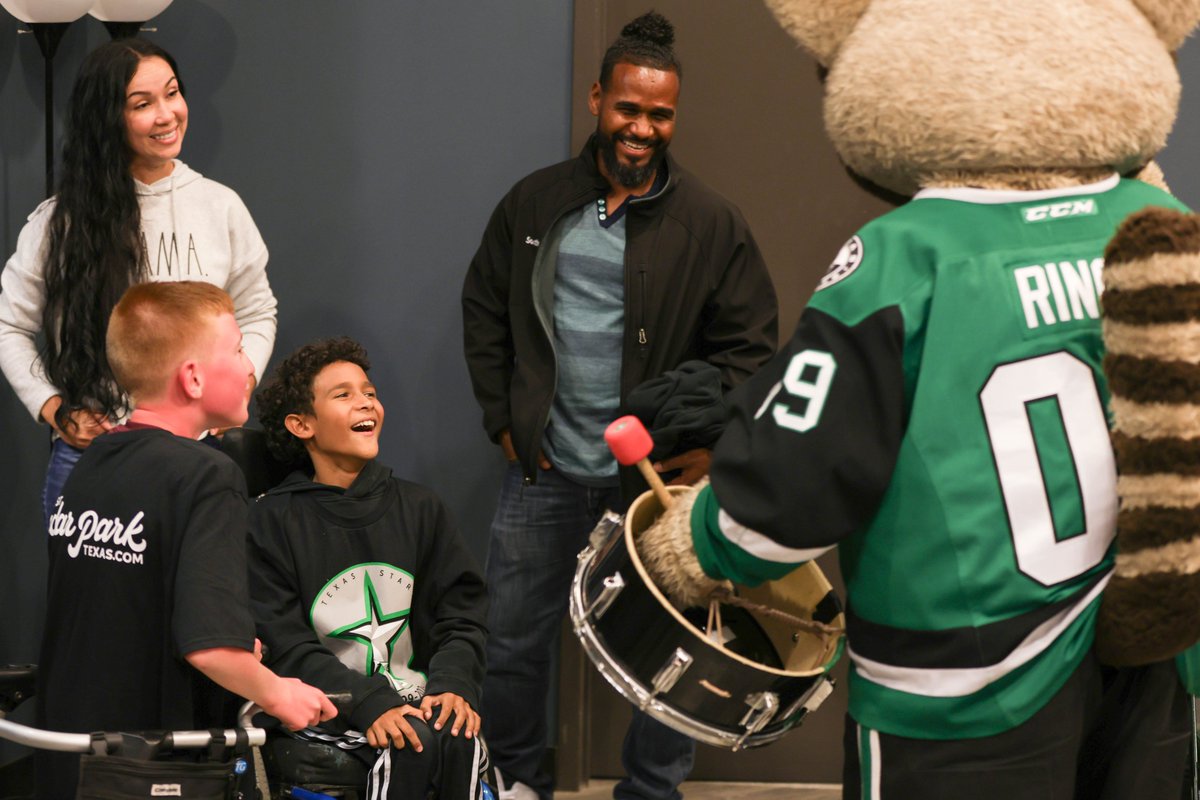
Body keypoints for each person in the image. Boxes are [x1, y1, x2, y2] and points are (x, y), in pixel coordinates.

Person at [461, 11, 777, 799]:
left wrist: (708, 445)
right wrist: (504, 419)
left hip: (655, 487)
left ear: (675, 116)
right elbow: (484, 308)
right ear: (599, 99)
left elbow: (752, 350)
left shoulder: (710, 222)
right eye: (628, 109)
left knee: (677, 648)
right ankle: (516, 781)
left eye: (660, 114)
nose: (642, 128)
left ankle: (651, 790)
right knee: (512, 643)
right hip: (545, 470)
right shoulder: (534, 205)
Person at [35, 282, 334, 799]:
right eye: (238, 348)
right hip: (145, 770)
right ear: (193, 378)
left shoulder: (92, 464)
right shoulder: (207, 475)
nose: (248, 366)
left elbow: (129, 605)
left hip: (68, 757)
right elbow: (210, 648)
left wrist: (232, 643)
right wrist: (281, 693)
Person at [0, 38, 277, 520]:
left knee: (198, 592)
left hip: (200, 457)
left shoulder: (220, 206)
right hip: (93, 458)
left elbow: (256, 309)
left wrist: (240, 380)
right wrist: (56, 409)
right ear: (108, 118)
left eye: (172, 93)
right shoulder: (60, 221)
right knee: (92, 597)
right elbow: (9, 326)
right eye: (142, 104)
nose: (167, 114)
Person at [249, 337, 490, 800]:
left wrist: (454, 685)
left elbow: (461, 616)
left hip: (418, 700)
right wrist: (368, 701)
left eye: (370, 392)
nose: (365, 402)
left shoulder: (422, 508)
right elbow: (284, 643)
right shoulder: (269, 521)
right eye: (343, 395)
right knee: (408, 749)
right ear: (301, 424)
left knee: (459, 740)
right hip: (327, 707)